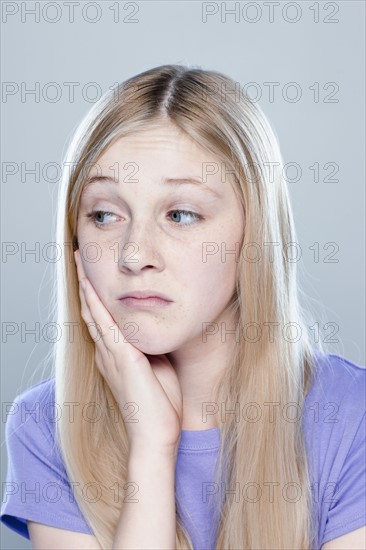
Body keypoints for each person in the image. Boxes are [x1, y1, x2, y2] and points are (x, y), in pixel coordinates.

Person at [1, 64, 365, 550]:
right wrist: (152, 449)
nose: (134, 255)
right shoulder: (45, 425)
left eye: (180, 214)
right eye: (104, 215)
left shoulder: (351, 417)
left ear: (252, 235)